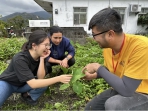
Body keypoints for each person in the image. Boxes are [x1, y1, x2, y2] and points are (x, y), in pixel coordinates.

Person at [82, 8, 148, 110]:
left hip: (143, 92)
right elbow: (110, 69)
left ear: (110, 34)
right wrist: (94, 75)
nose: (93, 39)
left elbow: (127, 90)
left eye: (95, 35)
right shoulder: (108, 48)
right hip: (123, 87)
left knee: (114, 104)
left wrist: (97, 67)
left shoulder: (141, 47)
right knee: (91, 108)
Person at [0, 30, 72, 107]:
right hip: (8, 84)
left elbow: (40, 78)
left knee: (43, 83)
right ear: (34, 46)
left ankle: (26, 96)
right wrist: (58, 78)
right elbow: (33, 84)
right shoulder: (20, 59)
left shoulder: (40, 56)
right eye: (46, 45)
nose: (48, 48)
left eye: (49, 45)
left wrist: (42, 59)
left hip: (24, 84)